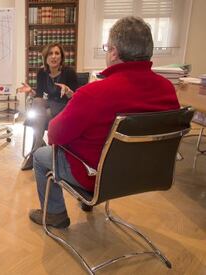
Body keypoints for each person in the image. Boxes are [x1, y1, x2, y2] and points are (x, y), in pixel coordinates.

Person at [29, 16, 181, 228]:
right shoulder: (167, 89)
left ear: (114, 52)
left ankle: (55, 214)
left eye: (107, 47)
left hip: (97, 177)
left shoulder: (94, 93)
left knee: (41, 155)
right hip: (147, 175)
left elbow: (54, 135)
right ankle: (84, 202)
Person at [17, 42, 78, 170]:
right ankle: (38, 146)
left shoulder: (69, 72)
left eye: (57, 53)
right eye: (50, 53)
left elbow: (76, 98)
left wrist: (68, 91)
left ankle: (34, 153)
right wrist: (31, 91)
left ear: (61, 57)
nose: (54, 56)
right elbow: (40, 95)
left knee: (41, 115)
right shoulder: (42, 73)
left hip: (63, 106)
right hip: (47, 104)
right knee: (37, 103)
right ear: (46, 58)